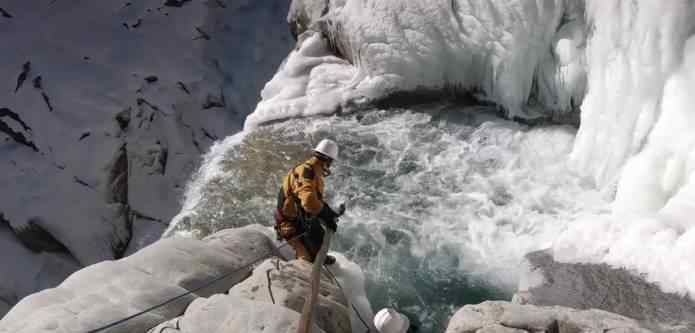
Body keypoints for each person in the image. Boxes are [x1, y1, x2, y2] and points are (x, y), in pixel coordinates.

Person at [275, 139, 344, 265]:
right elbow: (308, 201)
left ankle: (318, 255)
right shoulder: (307, 172)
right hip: (290, 225)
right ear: (328, 160)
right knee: (305, 259)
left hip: (300, 219)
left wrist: (329, 213)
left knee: (318, 236)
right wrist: (325, 213)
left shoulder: (313, 171)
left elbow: (314, 200)